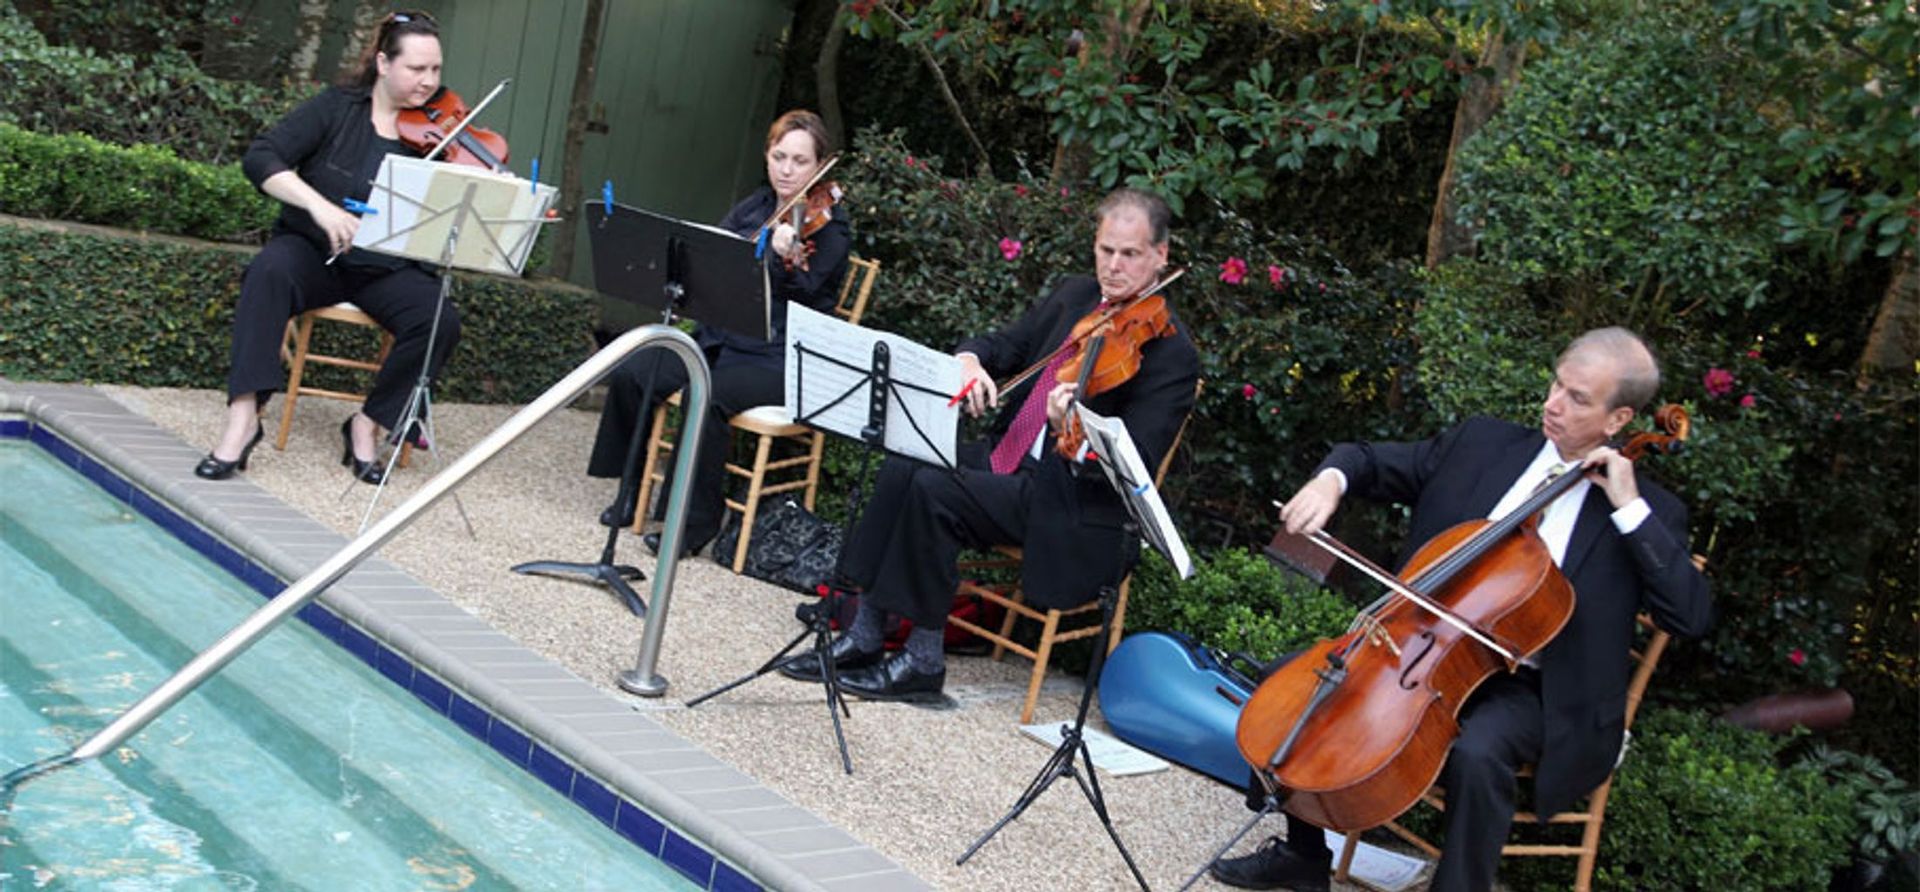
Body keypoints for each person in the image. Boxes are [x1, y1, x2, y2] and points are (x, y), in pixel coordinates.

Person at [1209, 327, 1713, 892]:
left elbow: (1688, 617)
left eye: (1578, 399)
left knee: (1478, 753)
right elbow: (1371, 460)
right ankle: (1303, 859)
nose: (1553, 404)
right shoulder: (1483, 444)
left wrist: (1627, 505)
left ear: (1619, 420)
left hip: (1539, 690)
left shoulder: (1648, 513)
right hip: (1424, 650)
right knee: (1292, 685)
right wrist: (1333, 480)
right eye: (1556, 385)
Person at [778, 187, 1201, 701]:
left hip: (1069, 500)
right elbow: (1006, 344)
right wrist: (971, 360)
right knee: (908, 455)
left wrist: (1078, 427)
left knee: (936, 489)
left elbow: (1135, 464)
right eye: (1105, 249)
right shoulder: (1076, 297)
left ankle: (923, 660)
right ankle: (865, 629)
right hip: (1011, 460)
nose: (1113, 266)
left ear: (1161, 255)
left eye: (1129, 254)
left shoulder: (1170, 353)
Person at [194, 10, 461, 485]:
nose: (429, 81)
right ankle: (243, 418)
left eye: (435, 70)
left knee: (438, 318)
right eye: (416, 69)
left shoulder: (441, 132)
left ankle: (368, 423)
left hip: (386, 268)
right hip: (316, 252)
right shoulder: (337, 108)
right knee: (269, 272)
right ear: (383, 63)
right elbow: (261, 157)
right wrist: (319, 207)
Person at [586, 109, 851, 556]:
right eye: (779, 156)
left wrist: (782, 261)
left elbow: (807, 293)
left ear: (819, 164)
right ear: (767, 155)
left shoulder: (832, 229)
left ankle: (694, 524)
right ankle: (631, 488)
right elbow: (711, 252)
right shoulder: (757, 206)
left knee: (704, 395)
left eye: (800, 161)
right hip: (722, 336)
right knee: (637, 370)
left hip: (779, 355)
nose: (787, 170)